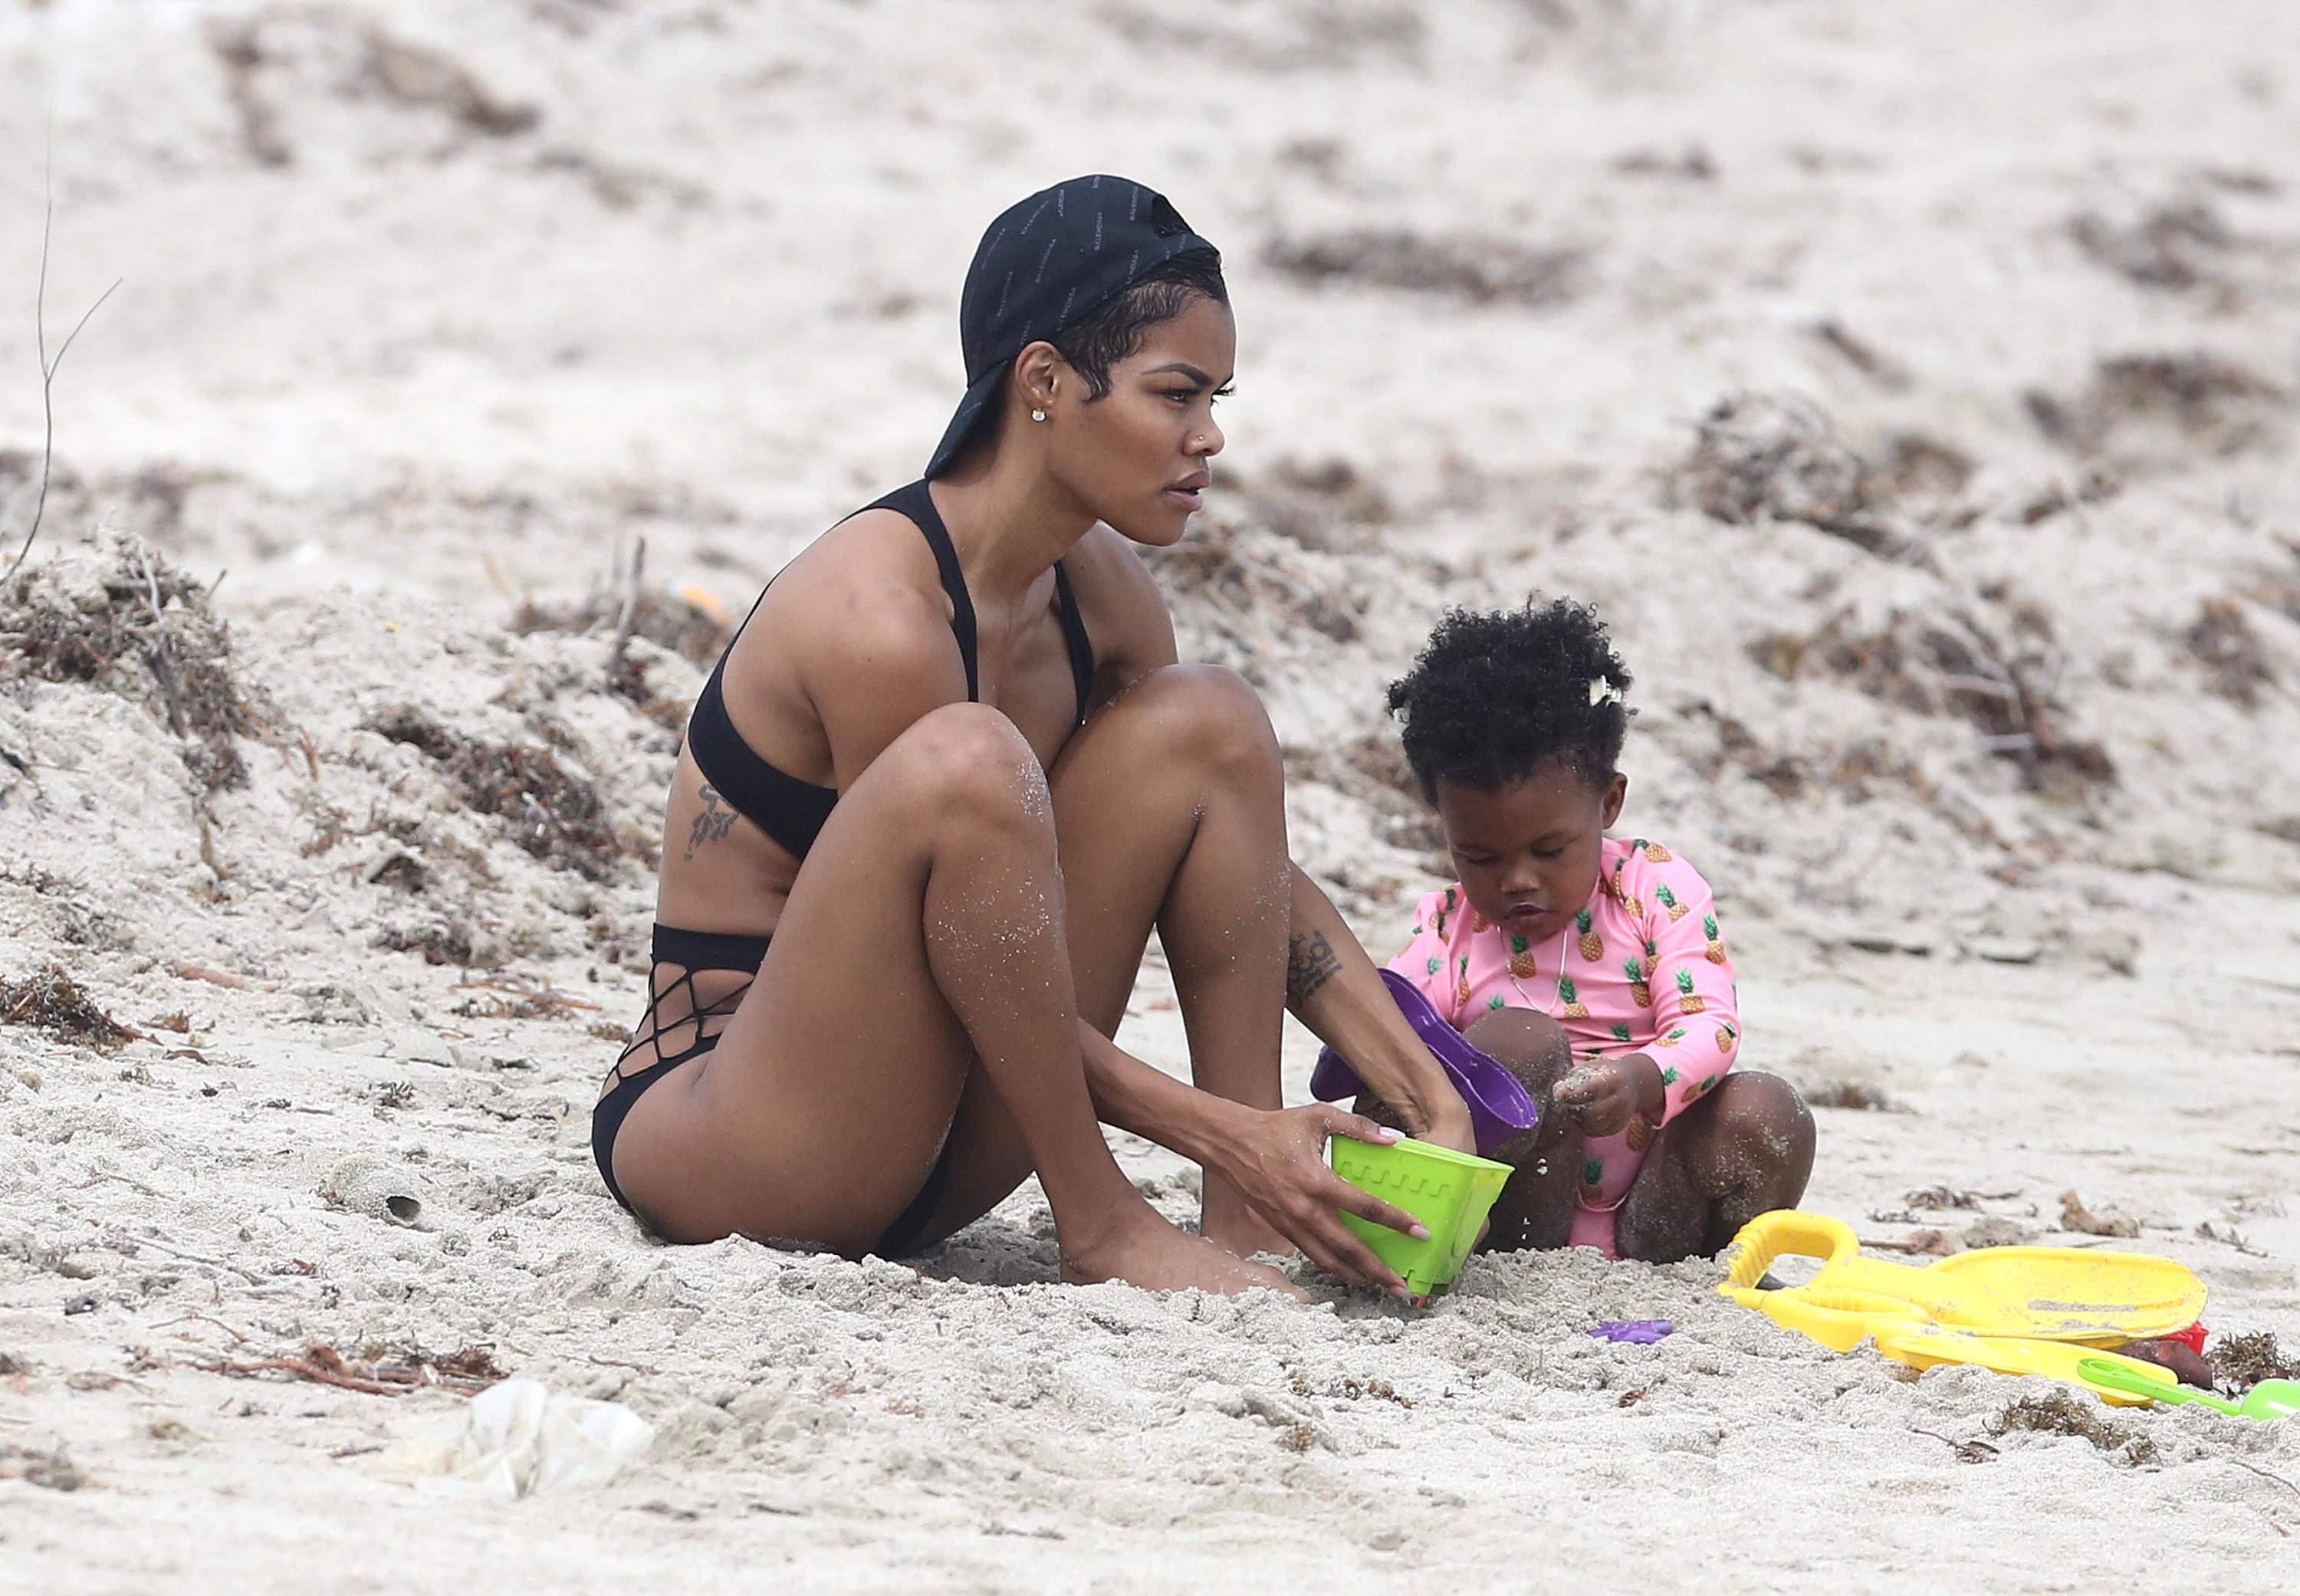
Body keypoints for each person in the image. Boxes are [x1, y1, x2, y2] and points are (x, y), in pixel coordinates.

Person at [590, 176, 1475, 1299]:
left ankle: (1250, 1213)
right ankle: (1099, 1217)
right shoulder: (881, 617)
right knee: (974, 764)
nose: (1210, 437)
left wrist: (1416, 1072)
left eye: (1217, 396)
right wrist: (1214, 1126)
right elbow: (951, 962)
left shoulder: (1099, 596)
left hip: (947, 1135)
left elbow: (1237, 862)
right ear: (1046, 382)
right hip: (745, 1123)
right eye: (1175, 393)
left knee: (1211, 722)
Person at [1361, 598, 1815, 1261]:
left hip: (1656, 1210)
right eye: (1481, 857)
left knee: (1767, 1110)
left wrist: (1639, 1079)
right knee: (1521, 1039)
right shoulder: (1449, 928)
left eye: (1549, 851)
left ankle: (1715, 1273)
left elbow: (1710, 1023)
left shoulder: (1653, 888)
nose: (1517, 880)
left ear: (1608, 803)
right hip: (1521, 1218)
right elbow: (1387, 1035)